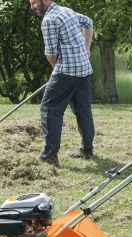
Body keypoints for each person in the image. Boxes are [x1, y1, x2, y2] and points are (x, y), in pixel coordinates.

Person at [29, 0, 95, 166]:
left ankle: (49, 155)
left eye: (34, 2)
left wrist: (56, 72)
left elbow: (51, 54)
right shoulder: (67, 11)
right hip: (84, 69)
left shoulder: (49, 20)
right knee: (83, 109)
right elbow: (89, 22)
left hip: (67, 71)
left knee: (49, 109)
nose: (32, 7)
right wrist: (87, 48)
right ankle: (87, 149)